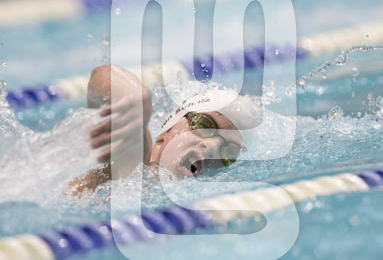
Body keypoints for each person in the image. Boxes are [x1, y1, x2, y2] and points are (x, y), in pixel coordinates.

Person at [69, 65, 259, 193]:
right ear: (167, 131)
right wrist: (134, 96)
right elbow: (102, 75)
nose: (212, 148)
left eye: (228, 153)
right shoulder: (136, 162)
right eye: (204, 126)